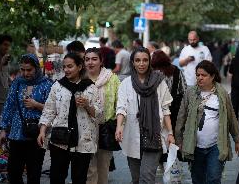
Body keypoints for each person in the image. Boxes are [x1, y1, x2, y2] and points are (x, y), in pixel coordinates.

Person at [37, 53, 102, 184]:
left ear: (79, 67)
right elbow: (49, 110)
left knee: (79, 179)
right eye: (64, 67)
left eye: (70, 66)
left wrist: (87, 105)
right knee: (56, 177)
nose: (66, 70)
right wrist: (42, 131)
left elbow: (100, 115)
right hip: (60, 140)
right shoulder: (58, 86)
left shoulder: (91, 87)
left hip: (83, 141)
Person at [175, 60, 239, 184]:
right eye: (198, 75)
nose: (200, 78)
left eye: (203, 75)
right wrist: (178, 140)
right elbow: (181, 117)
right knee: (198, 179)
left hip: (216, 145)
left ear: (212, 77)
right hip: (194, 145)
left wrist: (237, 140)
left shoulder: (222, 93)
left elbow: (231, 117)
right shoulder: (190, 93)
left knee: (213, 178)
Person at [115, 47, 175, 184]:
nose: (141, 64)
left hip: (154, 135)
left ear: (149, 62)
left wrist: (170, 133)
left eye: (145, 60)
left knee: (147, 178)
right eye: (137, 60)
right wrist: (119, 126)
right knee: (136, 179)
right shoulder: (125, 84)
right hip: (132, 136)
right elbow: (121, 108)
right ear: (133, 62)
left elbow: (166, 110)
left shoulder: (159, 82)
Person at [0, 54, 53, 184]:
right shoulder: (17, 83)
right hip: (17, 134)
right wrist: (3, 129)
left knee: (34, 173)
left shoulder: (46, 85)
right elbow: (9, 106)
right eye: (22, 69)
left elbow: (53, 110)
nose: (25, 73)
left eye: (29, 70)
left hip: (37, 134)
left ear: (36, 68)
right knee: (13, 172)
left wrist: (37, 105)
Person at [84, 48, 120, 184]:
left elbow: (120, 104)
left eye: (94, 59)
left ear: (101, 61)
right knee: (89, 170)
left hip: (105, 129)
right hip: (85, 130)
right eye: (87, 59)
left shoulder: (112, 79)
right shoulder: (80, 79)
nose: (90, 62)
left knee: (103, 169)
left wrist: (119, 126)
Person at [151, 50, 187, 134]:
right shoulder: (177, 71)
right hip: (174, 109)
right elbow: (184, 90)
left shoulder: (152, 73)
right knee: (172, 133)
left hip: (156, 109)